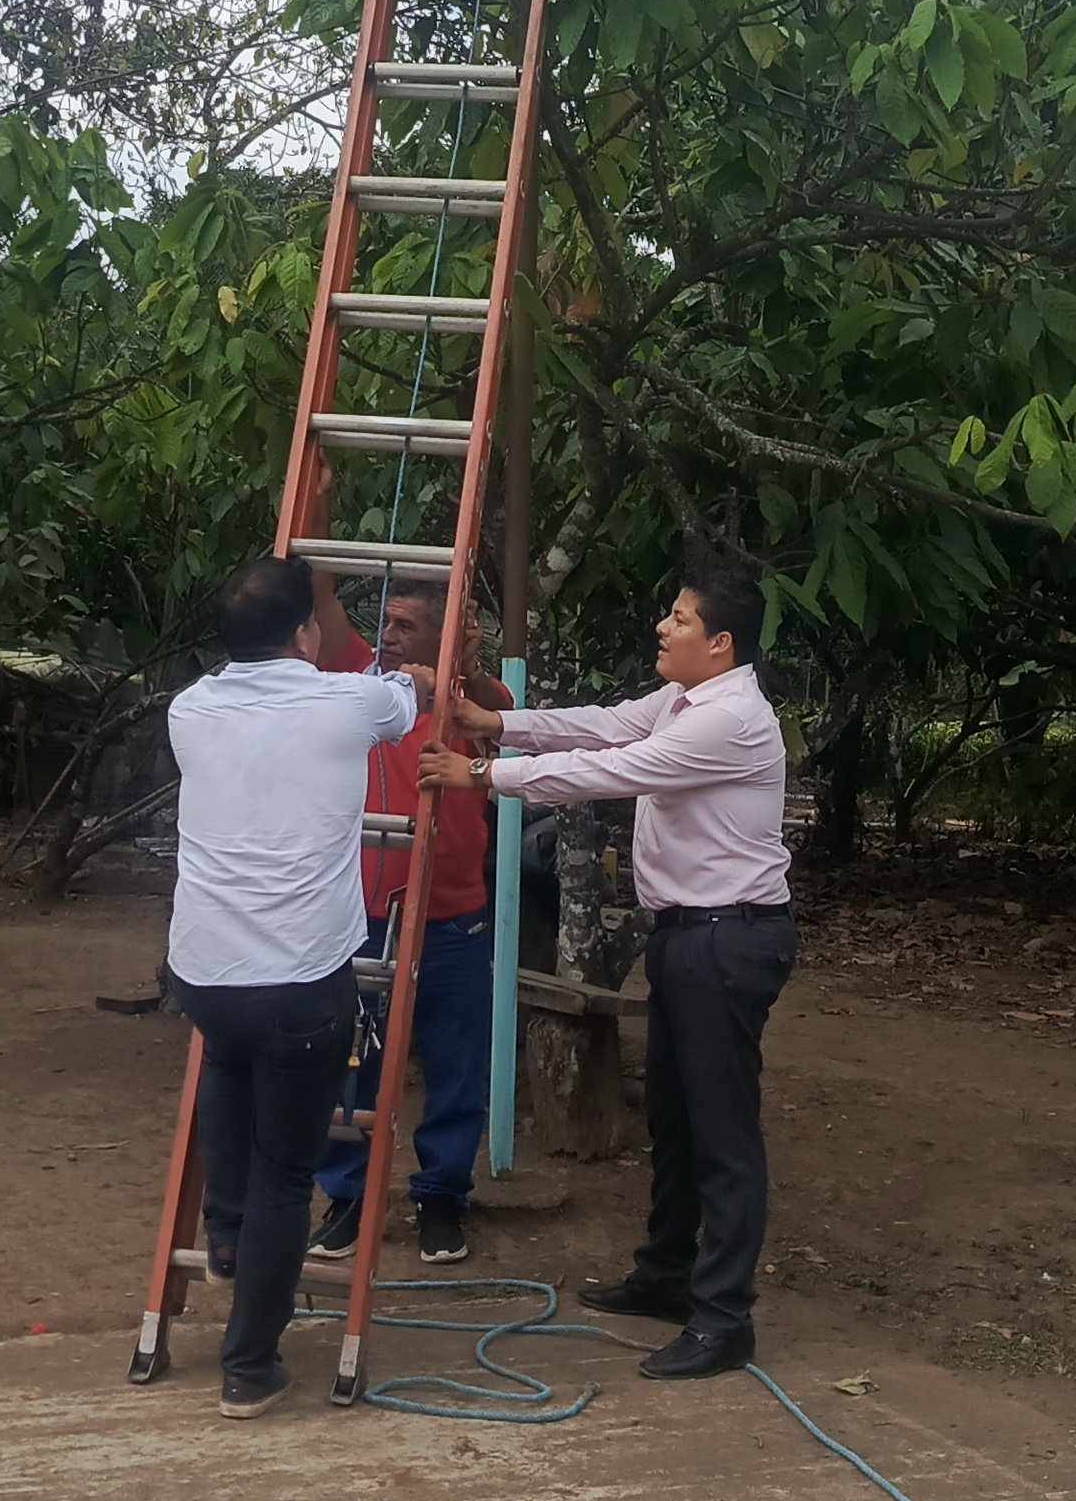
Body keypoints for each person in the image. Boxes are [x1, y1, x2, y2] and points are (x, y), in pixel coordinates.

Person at [419, 561, 793, 1381]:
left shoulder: (729, 719)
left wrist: (483, 772)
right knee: (675, 1117)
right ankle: (667, 1274)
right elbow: (605, 725)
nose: (664, 626)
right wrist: (496, 721)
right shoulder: (684, 700)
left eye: (681, 618)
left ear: (721, 644)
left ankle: (724, 1318)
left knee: (723, 1134)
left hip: (728, 939)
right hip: (690, 936)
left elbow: (615, 770)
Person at [166, 552, 420, 1420]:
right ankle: (248, 1365)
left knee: (226, 1070)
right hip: (301, 983)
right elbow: (404, 701)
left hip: (206, 973)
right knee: (286, 1174)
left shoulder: (188, 710)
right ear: (306, 633)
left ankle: (224, 1234)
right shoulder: (347, 702)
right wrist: (420, 676)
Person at [306, 572, 513, 1267]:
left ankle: (442, 1197)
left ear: (442, 635)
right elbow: (321, 600)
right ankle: (346, 1195)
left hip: (453, 917)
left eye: (407, 626)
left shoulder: (475, 699)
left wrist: (464, 670)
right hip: (361, 914)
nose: (390, 637)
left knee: (456, 1063)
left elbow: (496, 710)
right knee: (350, 1061)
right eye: (387, 622)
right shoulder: (359, 679)